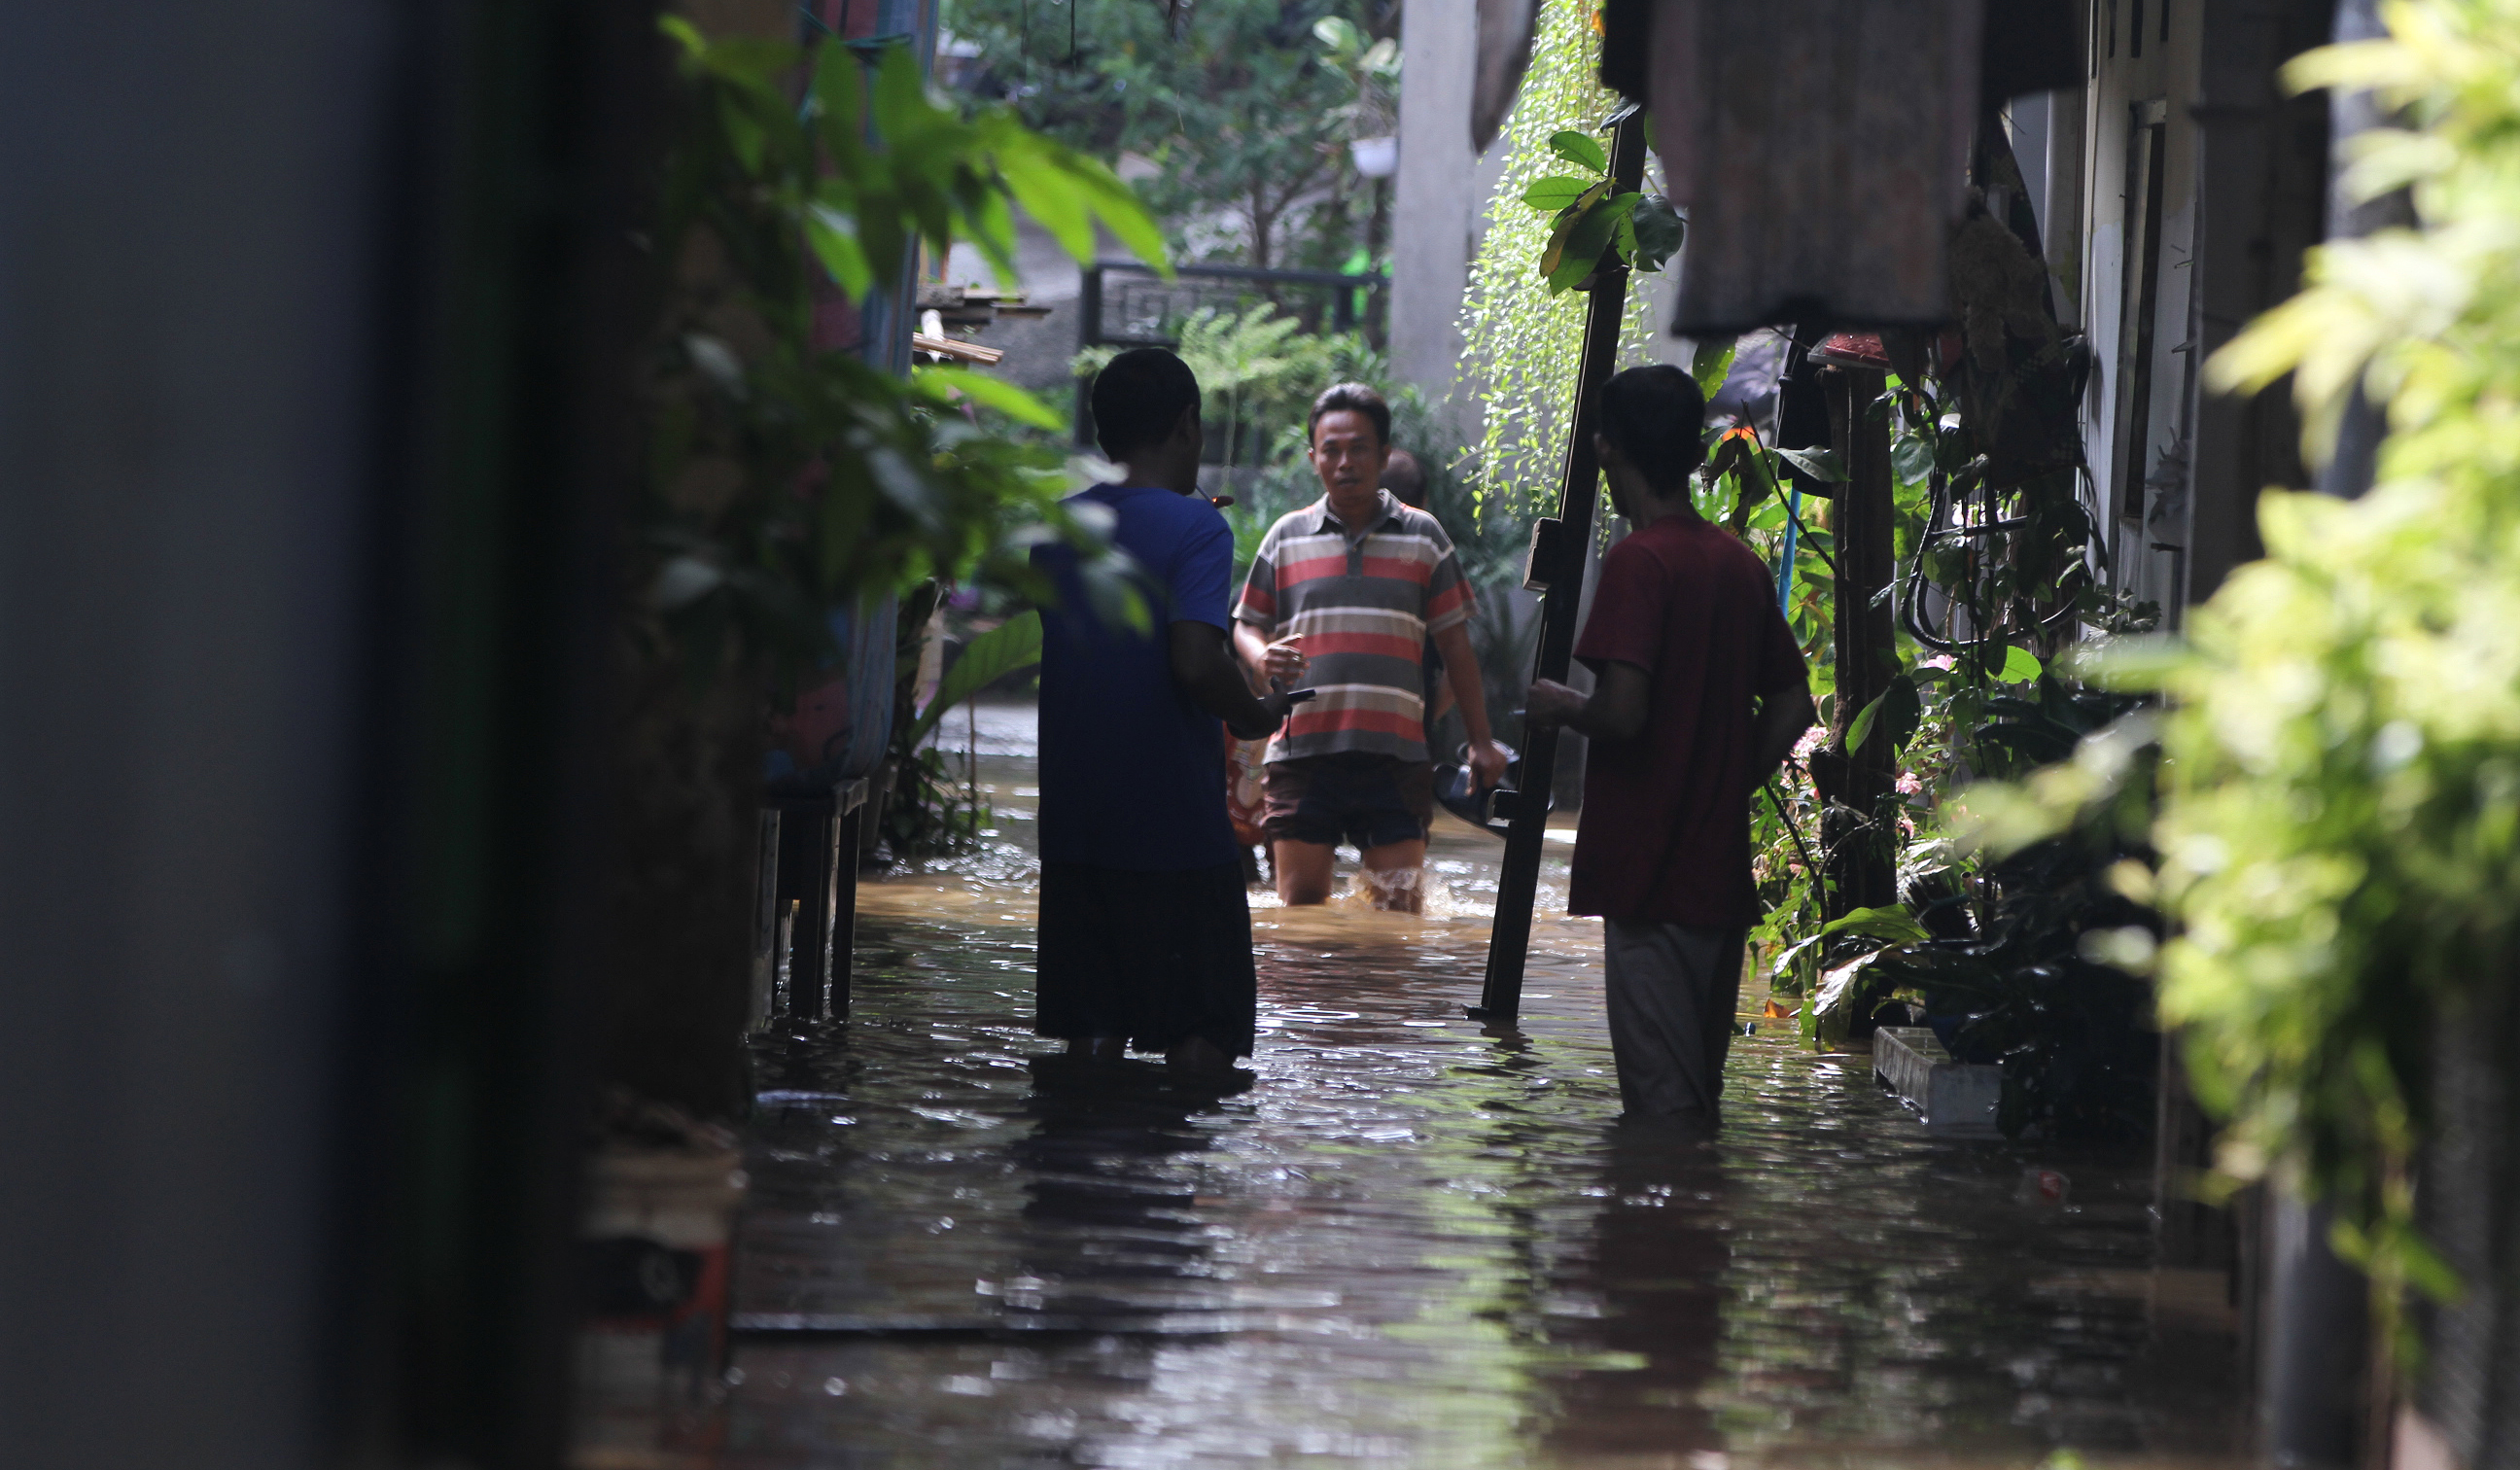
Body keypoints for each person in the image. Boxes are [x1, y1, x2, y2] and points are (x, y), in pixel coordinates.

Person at [1524, 365, 1815, 1123]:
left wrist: (1560, 704)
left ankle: (1662, 1237)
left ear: (1607, 450)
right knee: (1697, 1096)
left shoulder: (1638, 561)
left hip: (1650, 872)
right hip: (1715, 877)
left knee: (1661, 1112)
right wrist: (1729, 778)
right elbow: (1793, 700)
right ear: (1692, 455)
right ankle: (1698, 1237)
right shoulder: (1737, 565)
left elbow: (1624, 714)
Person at [1032, 347, 1301, 1075]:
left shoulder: (1058, 529)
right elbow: (1193, 660)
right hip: (1170, 829)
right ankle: (1169, 1176)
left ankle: (1075, 1172)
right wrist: (1256, 714)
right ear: (1187, 426)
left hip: (1073, 824)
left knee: (1089, 1031)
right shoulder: (1198, 529)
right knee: (1202, 1033)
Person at [1235, 384, 1510, 911]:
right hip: (1302, 754)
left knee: (1396, 923)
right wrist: (1258, 656)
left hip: (1396, 757)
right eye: (1330, 449)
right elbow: (1247, 624)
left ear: (1384, 455)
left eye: (1358, 448)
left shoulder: (1424, 537)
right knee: (1302, 918)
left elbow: (1456, 646)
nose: (1344, 462)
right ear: (1313, 456)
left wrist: (1481, 742)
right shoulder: (1285, 537)